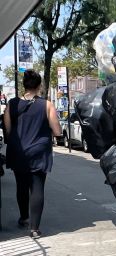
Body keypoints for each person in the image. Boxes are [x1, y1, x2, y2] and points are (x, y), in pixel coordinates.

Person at [4, 69, 61, 239]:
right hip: (38, 151)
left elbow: (8, 130)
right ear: (39, 86)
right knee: (37, 188)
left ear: (24, 85)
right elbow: (57, 130)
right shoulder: (47, 105)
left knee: (21, 186)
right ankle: (34, 228)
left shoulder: (11, 104)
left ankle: (23, 218)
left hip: (18, 151)